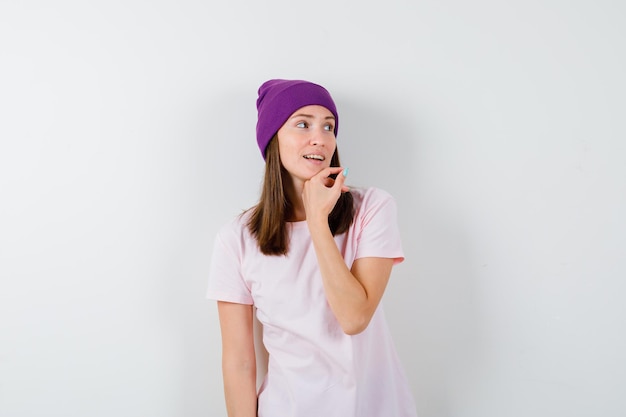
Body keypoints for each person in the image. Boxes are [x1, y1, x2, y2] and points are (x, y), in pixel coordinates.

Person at [207, 79, 417, 417]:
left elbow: (353, 317)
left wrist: (318, 221)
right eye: (302, 123)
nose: (320, 138)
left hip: (373, 407)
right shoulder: (237, 239)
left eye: (329, 126)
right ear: (273, 138)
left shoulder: (373, 208)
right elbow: (239, 362)